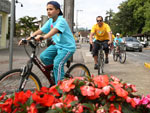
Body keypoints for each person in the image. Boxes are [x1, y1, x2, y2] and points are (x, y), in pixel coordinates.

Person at [19, 1, 76, 84]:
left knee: (57, 63)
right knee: (43, 56)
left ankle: (60, 88)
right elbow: (40, 30)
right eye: (47, 9)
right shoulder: (50, 21)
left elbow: (54, 30)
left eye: (51, 9)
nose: (48, 11)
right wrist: (27, 39)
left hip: (67, 48)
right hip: (57, 45)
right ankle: (56, 72)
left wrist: (43, 37)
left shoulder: (61, 21)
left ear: (58, 11)